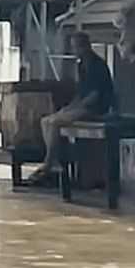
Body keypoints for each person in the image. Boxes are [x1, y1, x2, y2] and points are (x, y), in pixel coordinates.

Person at [29, 32, 116, 184]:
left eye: (75, 47)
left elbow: (95, 95)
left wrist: (76, 108)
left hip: (97, 108)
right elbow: (81, 93)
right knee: (46, 121)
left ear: (83, 47)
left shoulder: (97, 65)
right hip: (83, 105)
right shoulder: (81, 65)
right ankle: (54, 157)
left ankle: (49, 161)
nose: (73, 50)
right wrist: (68, 108)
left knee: (56, 123)